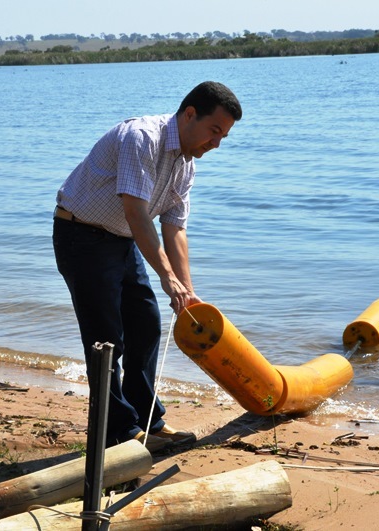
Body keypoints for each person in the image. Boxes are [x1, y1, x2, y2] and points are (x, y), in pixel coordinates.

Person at [52, 81, 242, 452]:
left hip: (122, 239)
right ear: (190, 115)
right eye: (214, 131)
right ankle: (120, 434)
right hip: (82, 236)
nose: (217, 143)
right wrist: (166, 277)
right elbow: (137, 212)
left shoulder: (185, 165)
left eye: (224, 136)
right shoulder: (142, 138)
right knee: (107, 339)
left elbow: (174, 229)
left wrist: (185, 291)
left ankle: (147, 421)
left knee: (146, 325)